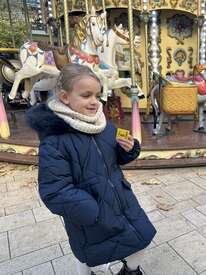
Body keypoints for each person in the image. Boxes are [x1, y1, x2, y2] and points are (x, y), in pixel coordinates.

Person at [26, 63, 156, 275]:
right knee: (90, 255)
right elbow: (54, 191)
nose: (95, 102)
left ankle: (130, 271)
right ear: (65, 97)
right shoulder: (54, 141)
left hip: (122, 202)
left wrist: (129, 149)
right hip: (90, 214)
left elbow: (114, 158)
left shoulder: (104, 125)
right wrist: (93, 211)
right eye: (86, 95)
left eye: (97, 95)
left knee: (141, 238)